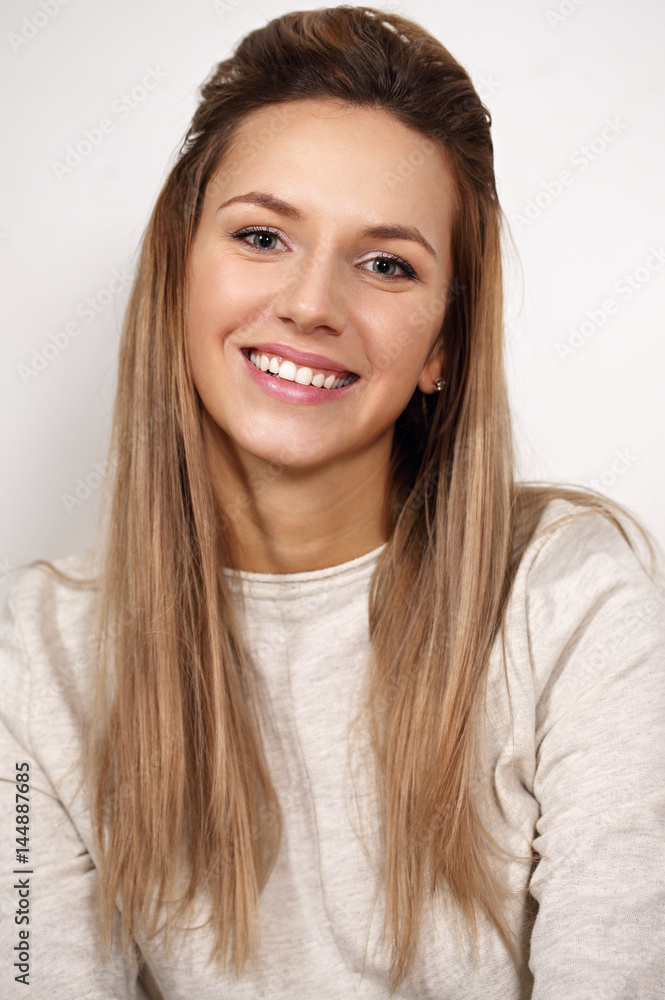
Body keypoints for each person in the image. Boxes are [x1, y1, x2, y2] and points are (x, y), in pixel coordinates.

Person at [1, 6, 664, 999]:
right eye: (262, 235)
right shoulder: (37, 657)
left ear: (443, 345)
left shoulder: (572, 600)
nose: (311, 304)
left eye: (386, 263)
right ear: (178, 272)